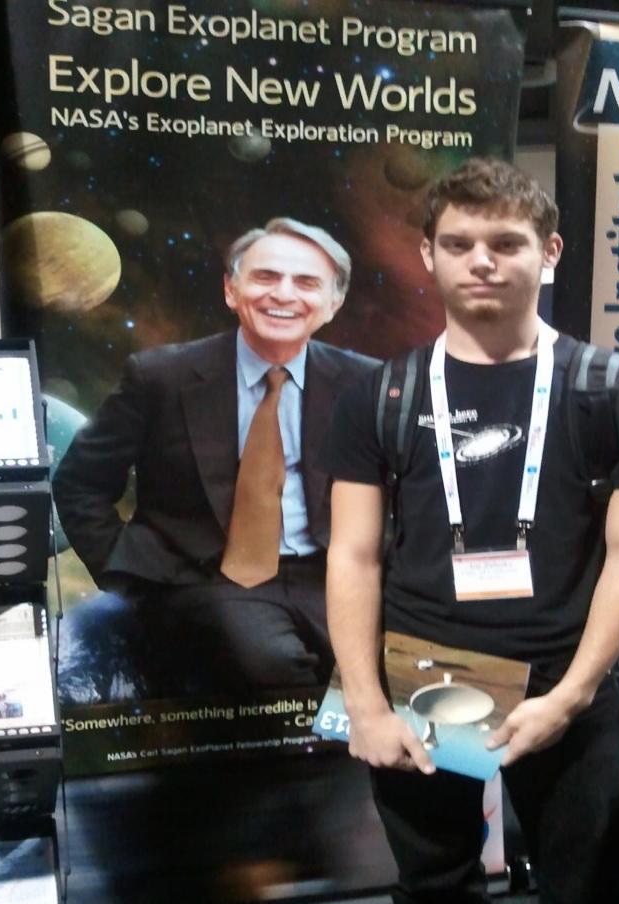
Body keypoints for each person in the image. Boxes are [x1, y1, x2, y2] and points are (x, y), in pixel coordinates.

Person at [324, 159, 619, 904]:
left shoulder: (616, 392)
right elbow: (352, 554)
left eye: (506, 242)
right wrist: (364, 702)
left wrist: (575, 694)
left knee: (584, 894)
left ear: (549, 252)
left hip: (563, 683)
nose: (481, 261)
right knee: (434, 893)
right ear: (428, 254)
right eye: (457, 244)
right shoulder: (383, 394)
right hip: (421, 679)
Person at [53, 217, 378, 697]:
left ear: (333, 303)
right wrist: (124, 571)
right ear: (231, 289)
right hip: (207, 578)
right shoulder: (160, 376)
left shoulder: (366, 383)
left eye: (307, 282)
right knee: (269, 667)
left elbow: (406, 490)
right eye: (265, 277)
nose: (284, 294)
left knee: (409, 662)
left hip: (332, 575)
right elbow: (81, 482)